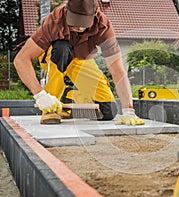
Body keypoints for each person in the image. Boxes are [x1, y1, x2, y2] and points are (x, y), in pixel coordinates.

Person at [14, 0, 144, 125]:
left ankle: (64, 97)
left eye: (83, 23)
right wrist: (40, 95)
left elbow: (117, 71)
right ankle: (50, 107)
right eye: (74, 23)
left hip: (81, 59)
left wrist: (128, 110)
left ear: (94, 15)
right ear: (67, 11)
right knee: (61, 48)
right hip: (57, 56)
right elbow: (21, 60)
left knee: (108, 110)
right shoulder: (55, 20)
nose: (78, 27)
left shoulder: (103, 27)